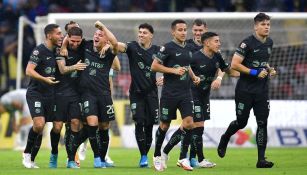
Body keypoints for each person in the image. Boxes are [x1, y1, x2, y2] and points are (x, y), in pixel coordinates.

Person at [217, 12, 277, 168]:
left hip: (262, 90)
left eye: (268, 24)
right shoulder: (247, 43)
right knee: (241, 122)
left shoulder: (269, 43)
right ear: (255, 26)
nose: (266, 27)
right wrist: (255, 72)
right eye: (263, 24)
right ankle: (225, 137)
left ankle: (261, 160)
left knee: (262, 122)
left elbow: (262, 63)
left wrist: (269, 70)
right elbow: (235, 64)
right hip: (245, 90)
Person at [151, 19, 200, 171]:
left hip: (185, 93)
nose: (183, 32)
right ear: (173, 32)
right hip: (169, 94)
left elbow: (187, 66)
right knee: (164, 125)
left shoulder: (189, 48)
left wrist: (193, 77)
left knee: (189, 123)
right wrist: (173, 71)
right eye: (180, 30)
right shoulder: (167, 48)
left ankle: (182, 158)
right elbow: (154, 66)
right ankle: (158, 154)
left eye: (185, 29)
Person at [161, 18, 209, 168]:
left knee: (196, 126)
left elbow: (220, 64)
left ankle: (193, 157)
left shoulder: (212, 46)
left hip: (203, 91)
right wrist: (168, 74)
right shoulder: (186, 45)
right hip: (187, 90)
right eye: (195, 30)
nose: (197, 33)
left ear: (205, 31)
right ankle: (187, 157)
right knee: (191, 124)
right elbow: (179, 63)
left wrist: (219, 77)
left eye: (200, 30)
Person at [117, 23, 161, 167]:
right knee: (139, 122)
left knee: (149, 126)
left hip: (152, 93)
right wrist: (107, 41)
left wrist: (166, 77)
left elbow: (174, 64)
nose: (141, 34)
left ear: (151, 35)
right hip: (136, 93)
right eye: (140, 32)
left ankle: (145, 155)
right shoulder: (133, 47)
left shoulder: (158, 51)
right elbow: (118, 45)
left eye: (144, 32)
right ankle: (143, 157)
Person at [77, 21, 118, 168]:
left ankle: (102, 158)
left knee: (104, 126)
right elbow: (71, 39)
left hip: (104, 94)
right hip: (88, 94)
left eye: (100, 35)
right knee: (92, 124)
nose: (97, 36)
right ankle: (95, 158)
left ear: (106, 40)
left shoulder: (109, 53)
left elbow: (115, 43)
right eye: (96, 34)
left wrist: (103, 27)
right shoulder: (86, 46)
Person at [22, 23, 63, 169]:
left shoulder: (59, 51)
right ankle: (26, 153)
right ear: (49, 35)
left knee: (47, 126)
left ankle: (32, 160)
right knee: (39, 125)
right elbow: (28, 71)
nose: (61, 35)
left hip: (52, 94)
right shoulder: (39, 51)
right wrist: (45, 79)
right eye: (58, 33)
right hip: (36, 93)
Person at [50, 26, 87, 168]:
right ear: (68, 38)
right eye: (72, 41)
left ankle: (71, 159)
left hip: (75, 94)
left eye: (78, 41)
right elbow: (62, 69)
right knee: (57, 127)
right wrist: (75, 67)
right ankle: (54, 153)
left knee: (76, 124)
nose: (75, 44)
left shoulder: (84, 47)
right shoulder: (60, 49)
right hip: (59, 93)